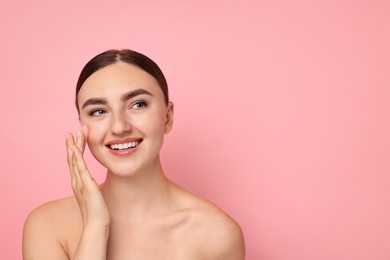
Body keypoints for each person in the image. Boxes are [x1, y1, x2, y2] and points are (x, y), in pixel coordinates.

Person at [22, 49, 245, 259]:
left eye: (138, 105)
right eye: (98, 111)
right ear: (82, 124)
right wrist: (95, 226)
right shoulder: (47, 225)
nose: (119, 127)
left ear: (167, 117)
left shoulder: (216, 234)